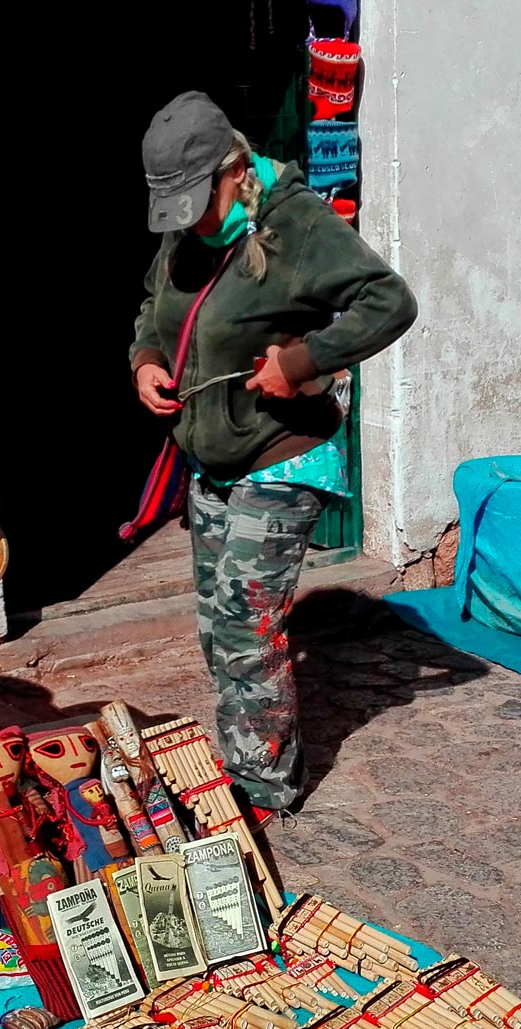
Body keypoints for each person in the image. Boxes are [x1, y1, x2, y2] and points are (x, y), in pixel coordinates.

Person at [129, 91, 418, 818]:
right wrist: (146, 361)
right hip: (211, 455)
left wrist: (301, 360)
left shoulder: (297, 223)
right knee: (214, 623)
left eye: (199, 199)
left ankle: (263, 787)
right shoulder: (187, 230)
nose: (190, 218)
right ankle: (245, 755)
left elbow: (389, 301)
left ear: (234, 170)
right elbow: (153, 307)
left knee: (243, 623)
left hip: (284, 454)